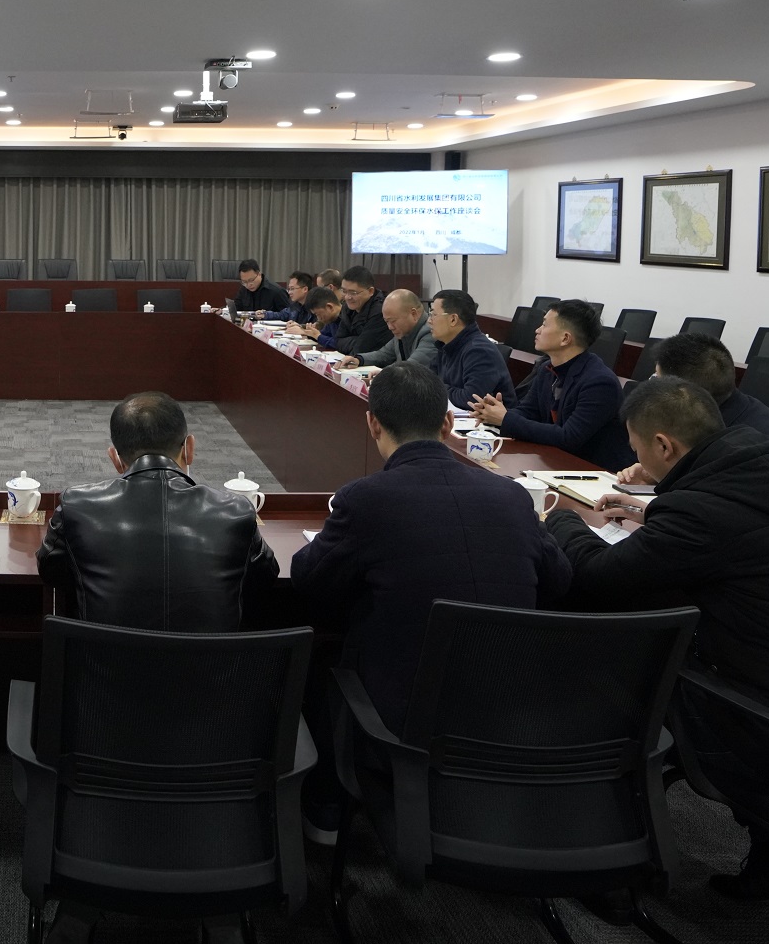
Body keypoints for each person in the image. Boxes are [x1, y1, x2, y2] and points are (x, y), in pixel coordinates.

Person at [544, 376, 769, 901]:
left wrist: (563, 519)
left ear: (664, 446)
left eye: (636, 447)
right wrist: (653, 512)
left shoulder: (703, 512)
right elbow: (740, 535)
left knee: (610, 661)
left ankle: (610, 861)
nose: (634, 457)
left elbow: (598, 574)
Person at [292, 361, 572, 842]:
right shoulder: (511, 497)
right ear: (447, 423)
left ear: (372, 424)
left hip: (403, 721)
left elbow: (308, 579)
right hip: (508, 710)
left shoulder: (365, 499)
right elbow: (560, 581)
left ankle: (326, 817)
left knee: (320, 660)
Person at [37, 392, 278, 631]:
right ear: (189, 448)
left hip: (106, 657)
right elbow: (265, 577)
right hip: (211, 658)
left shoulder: (76, 506)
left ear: (115, 458)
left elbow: (50, 570)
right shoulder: (236, 511)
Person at [468, 298, 633, 471]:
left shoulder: (600, 383)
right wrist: (493, 414)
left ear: (565, 338)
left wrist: (506, 419)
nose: (537, 330)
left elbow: (568, 437)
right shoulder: (547, 369)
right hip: (556, 462)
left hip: (593, 470)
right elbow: (528, 411)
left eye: (545, 325)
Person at [648, 333, 769, 464]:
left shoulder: (746, 452)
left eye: (656, 378)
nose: (652, 385)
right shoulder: (724, 411)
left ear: (683, 393)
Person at [429, 288, 514, 408]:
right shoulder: (446, 344)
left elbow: (470, 399)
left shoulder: (480, 351)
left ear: (453, 319)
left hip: (487, 419)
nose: (429, 321)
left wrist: (437, 388)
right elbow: (428, 381)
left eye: (433, 315)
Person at [340, 290, 438, 371]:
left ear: (414, 314)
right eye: (387, 321)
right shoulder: (403, 331)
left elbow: (411, 367)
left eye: (393, 321)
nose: (390, 327)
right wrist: (359, 360)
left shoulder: (431, 332)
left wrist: (384, 374)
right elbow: (384, 354)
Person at [328, 266, 390, 354]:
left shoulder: (380, 312)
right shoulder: (347, 307)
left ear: (370, 291)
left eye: (353, 293)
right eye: (344, 291)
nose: (347, 297)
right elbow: (338, 341)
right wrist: (357, 340)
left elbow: (362, 348)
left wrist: (355, 342)